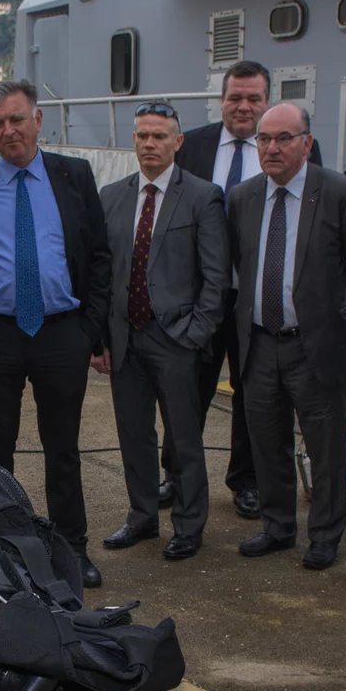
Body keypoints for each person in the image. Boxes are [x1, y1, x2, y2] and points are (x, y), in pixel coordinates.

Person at [0, 78, 111, 588]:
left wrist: (88, 329)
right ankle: (3, 552)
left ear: (38, 120)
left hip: (60, 333)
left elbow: (98, 256)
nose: (8, 132)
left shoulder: (73, 175)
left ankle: (71, 549)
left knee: (63, 449)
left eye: (17, 120)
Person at [229, 103, 346, 570]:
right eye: (264, 140)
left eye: (283, 138)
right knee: (266, 440)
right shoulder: (242, 197)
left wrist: (326, 308)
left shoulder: (338, 193)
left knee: (325, 444)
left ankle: (325, 533)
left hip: (314, 344)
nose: (272, 149)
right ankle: (277, 527)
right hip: (258, 343)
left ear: (306, 143)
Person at [180, 60, 324, 520]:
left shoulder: (296, 149)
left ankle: (246, 480)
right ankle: (179, 474)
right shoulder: (194, 146)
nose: (243, 107)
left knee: (252, 393)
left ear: (268, 101)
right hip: (202, 295)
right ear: (220, 100)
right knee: (187, 388)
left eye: (253, 99)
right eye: (234, 98)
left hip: (257, 299)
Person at [95, 101, 228, 560]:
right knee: (133, 434)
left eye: (160, 135)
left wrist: (195, 334)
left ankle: (189, 525)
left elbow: (216, 277)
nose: (150, 143)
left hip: (176, 339)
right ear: (133, 140)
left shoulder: (202, 196)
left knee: (183, 437)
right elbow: (100, 272)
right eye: (143, 135)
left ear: (178, 141)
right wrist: (99, 339)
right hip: (124, 338)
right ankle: (142, 516)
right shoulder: (111, 196)